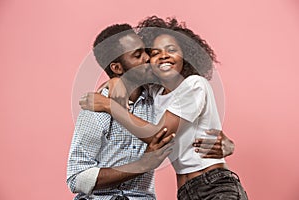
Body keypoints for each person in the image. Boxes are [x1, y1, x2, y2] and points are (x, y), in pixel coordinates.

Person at [81, 16, 247, 200]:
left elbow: (160, 134)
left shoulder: (194, 85)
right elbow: (129, 80)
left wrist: (110, 106)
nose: (164, 56)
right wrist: (114, 81)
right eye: (155, 53)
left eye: (172, 50)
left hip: (214, 186)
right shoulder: (154, 93)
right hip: (185, 193)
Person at [67, 24, 176, 200]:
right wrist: (141, 166)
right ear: (117, 68)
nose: (148, 58)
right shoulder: (96, 108)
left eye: (145, 51)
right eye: (137, 55)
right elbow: (77, 178)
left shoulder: (158, 98)